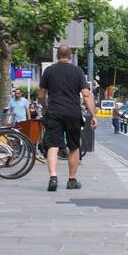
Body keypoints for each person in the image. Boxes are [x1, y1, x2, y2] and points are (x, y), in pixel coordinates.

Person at [38, 45, 98, 192]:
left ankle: (53, 176)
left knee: (53, 145)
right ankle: (71, 180)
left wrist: (45, 107)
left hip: (54, 112)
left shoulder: (49, 71)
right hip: (73, 113)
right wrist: (93, 115)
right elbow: (86, 94)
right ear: (70, 56)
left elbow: (40, 95)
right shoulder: (77, 71)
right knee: (74, 146)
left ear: (57, 55)